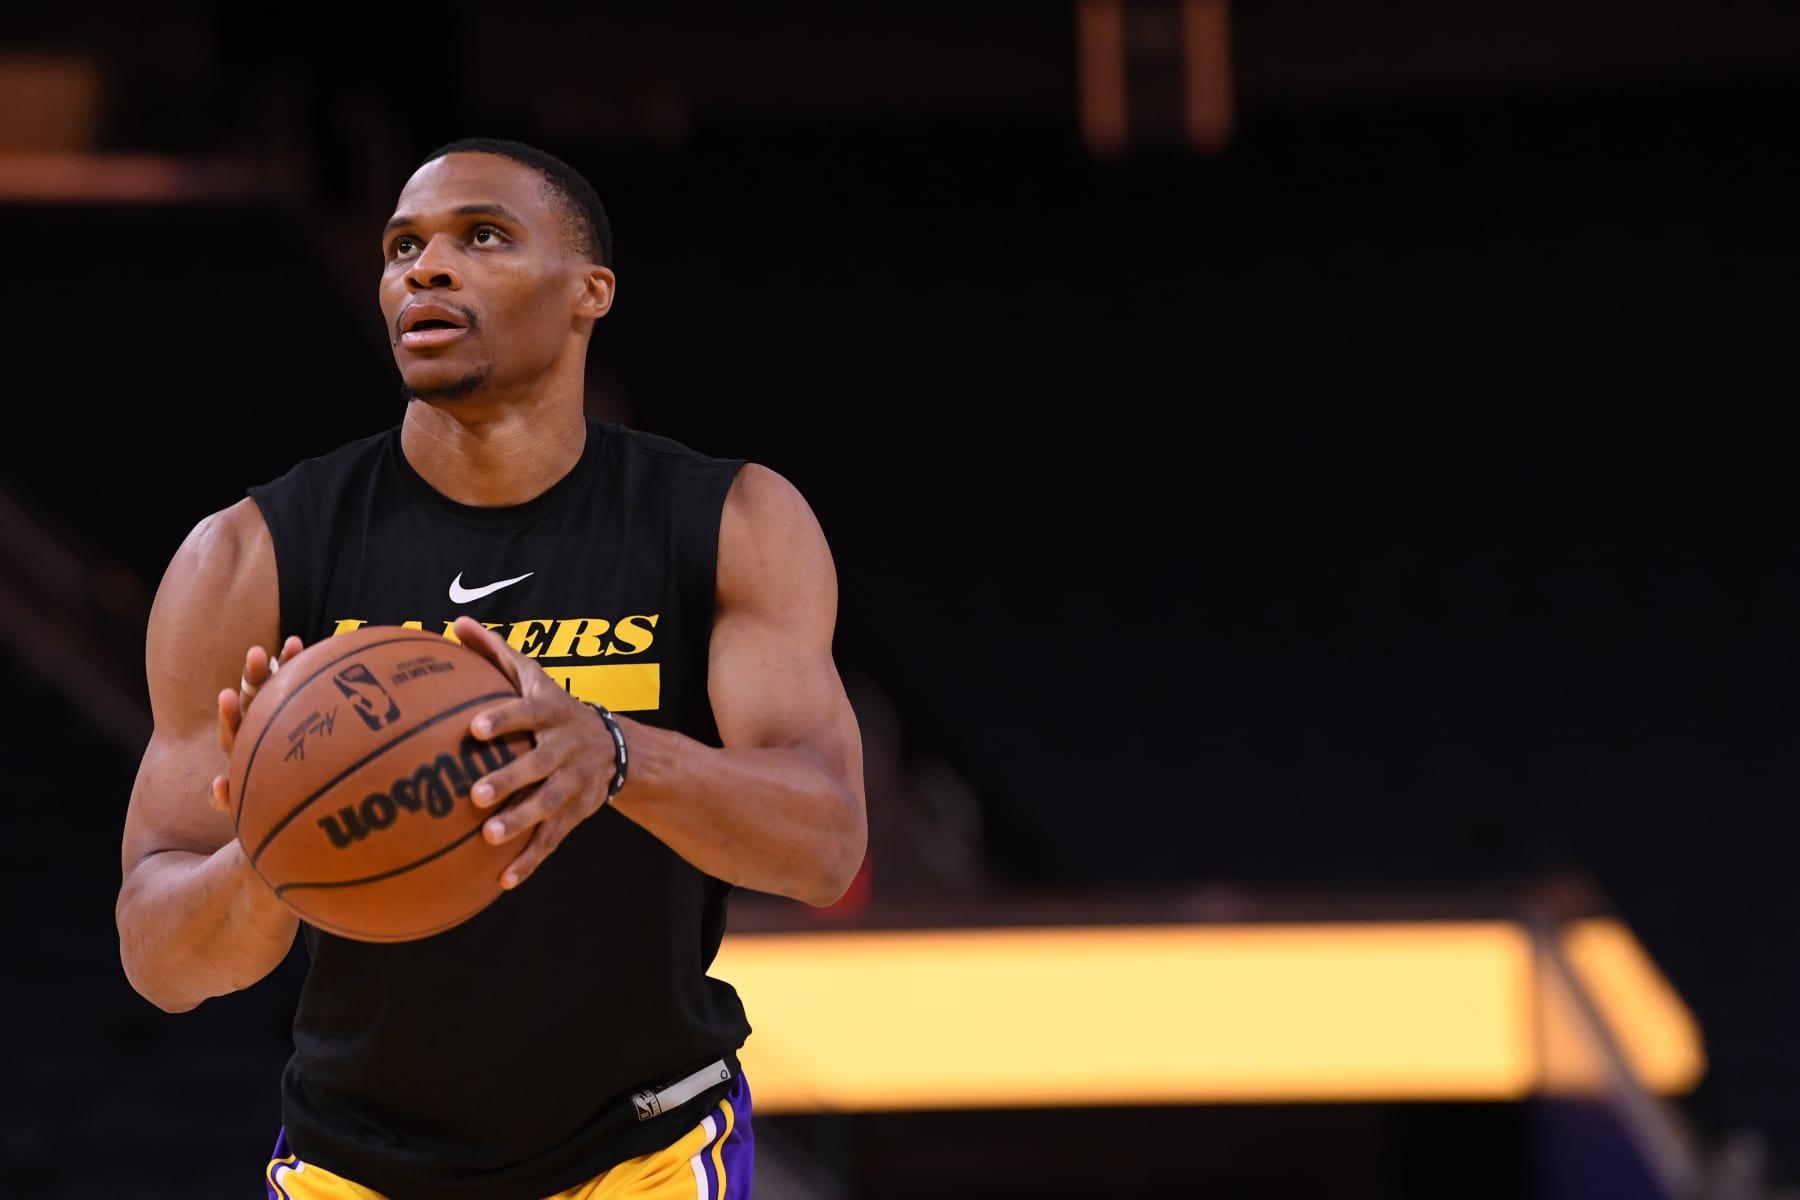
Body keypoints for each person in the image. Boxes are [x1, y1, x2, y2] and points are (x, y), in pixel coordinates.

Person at [114, 136, 868, 1199]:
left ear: (589, 291)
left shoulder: (730, 522)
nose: (423, 267)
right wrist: (268, 855)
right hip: (356, 1163)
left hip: (642, 1149)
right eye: (402, 247)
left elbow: (826, 846)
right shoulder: (247, 556)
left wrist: (614, 755)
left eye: (481, 237)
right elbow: (159, 959)